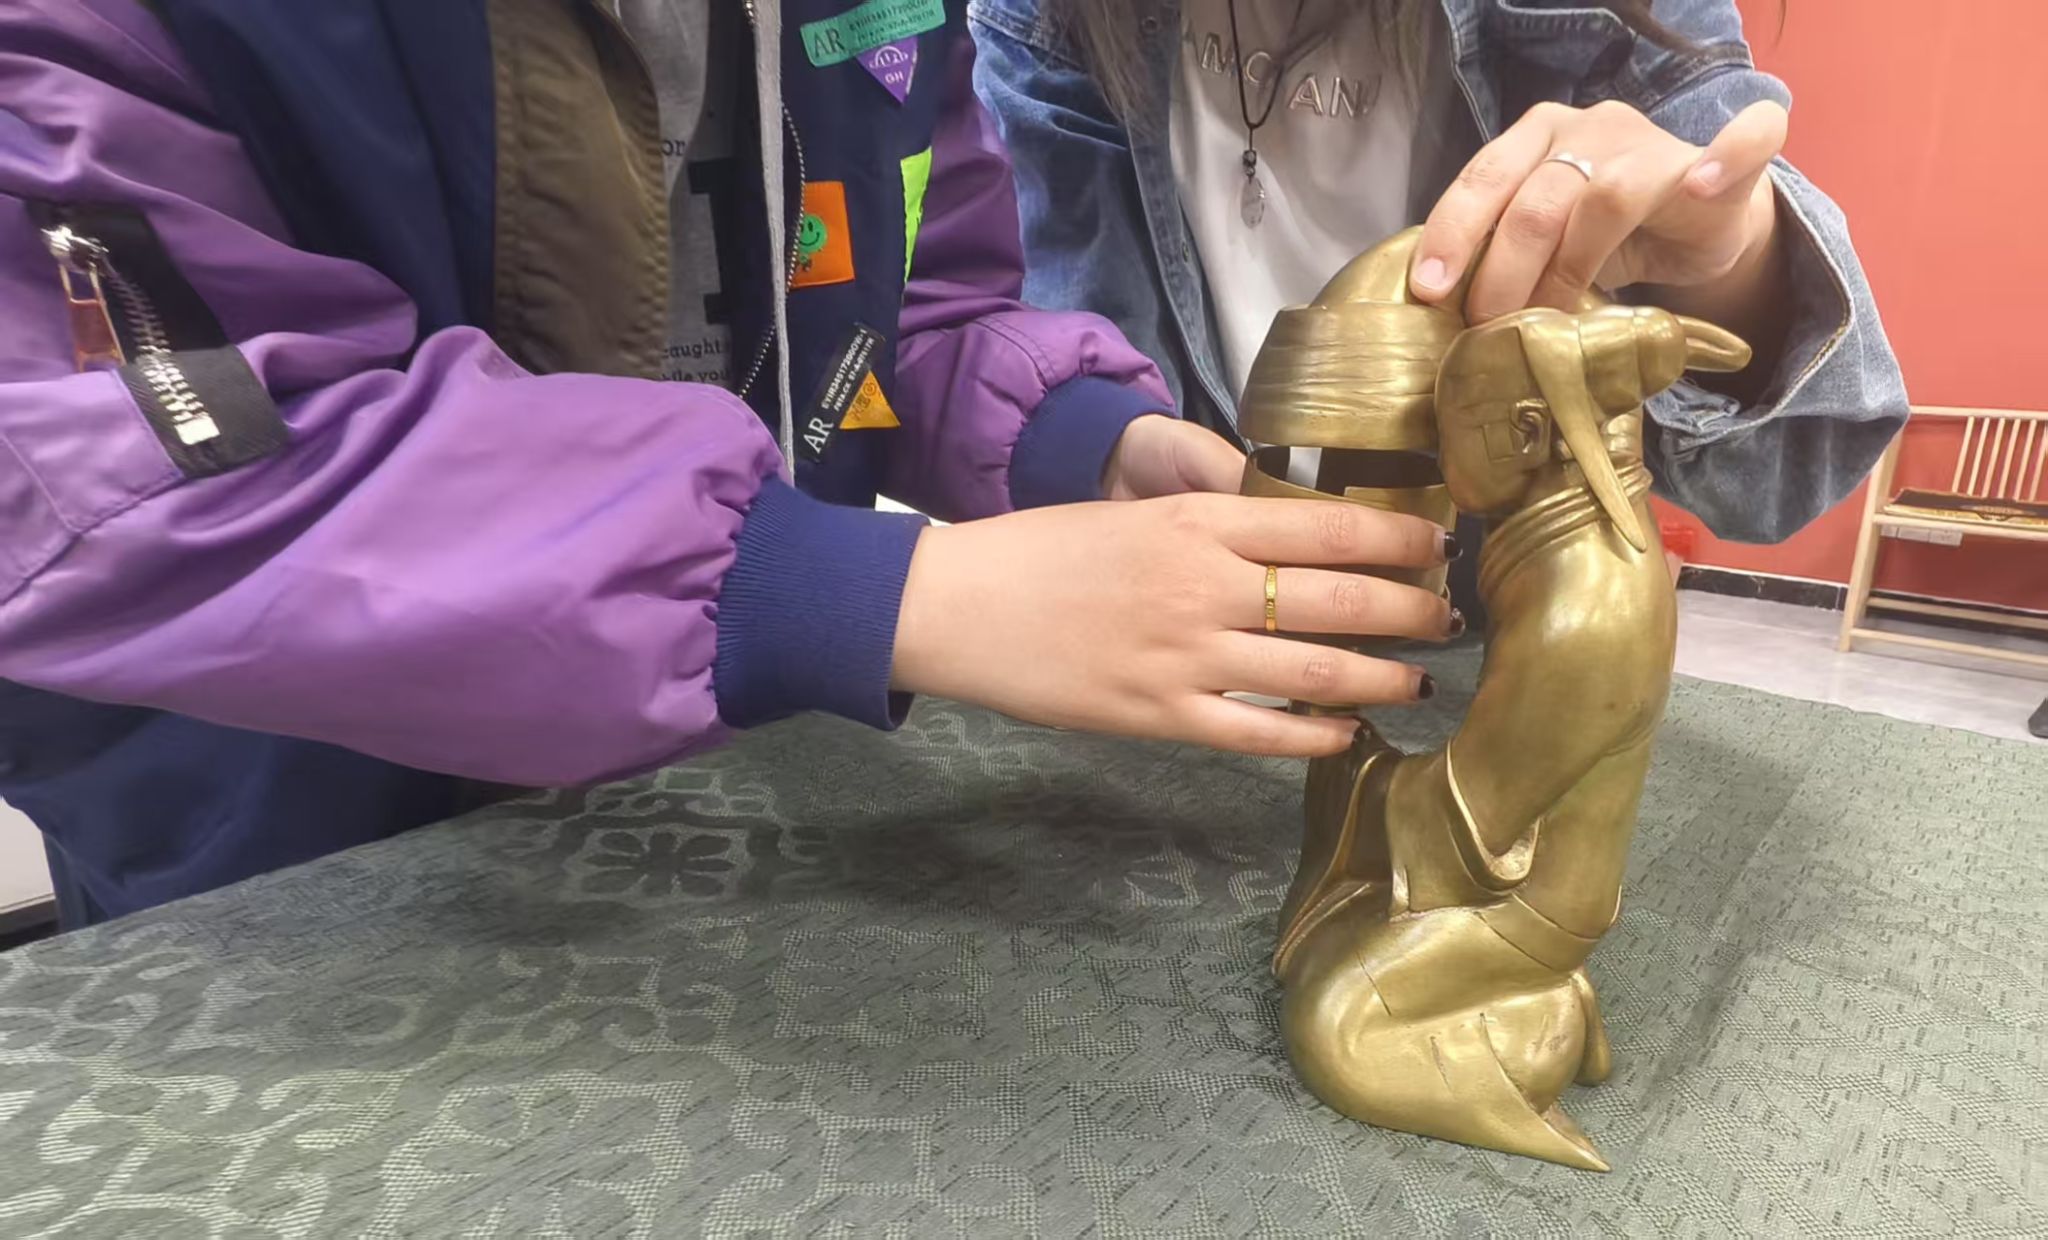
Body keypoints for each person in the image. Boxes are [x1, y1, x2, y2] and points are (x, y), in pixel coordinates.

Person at [0, 0, 1463, 927]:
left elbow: (907, 290)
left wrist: (1082, 441)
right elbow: (144, 468)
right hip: (297, 873)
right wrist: (848, 589)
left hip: (719, 829)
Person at [969, 0, 1908, 554]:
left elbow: (1782, 480)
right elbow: (1030, 375)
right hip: (1178, 629)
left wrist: (1729, 266)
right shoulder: (1041, 23)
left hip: (1484, 634)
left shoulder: (1618, 17)